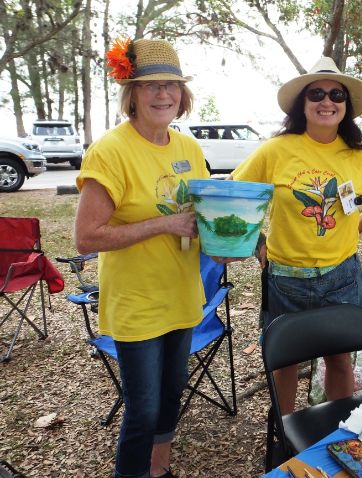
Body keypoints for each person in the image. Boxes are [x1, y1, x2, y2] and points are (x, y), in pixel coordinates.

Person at [231, 57, 362, 415]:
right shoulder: (275, 150)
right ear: (301, 105)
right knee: (283, 363)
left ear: (345, 106)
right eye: (316, 94)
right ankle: (285, 438)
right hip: (285, 279)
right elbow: (235, 197)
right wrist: (255, 242)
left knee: (339, 359)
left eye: (336, 94)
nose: (327, 101)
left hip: (342, 276)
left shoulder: (359, 156)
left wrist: (355, 228)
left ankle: (338, 434)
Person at [74, 38, 209, 478]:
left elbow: (201, 217)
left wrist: (227, 245)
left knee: (171, 398)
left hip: (183, 296)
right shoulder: (111, 151)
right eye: (151, 86)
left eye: (172, 85)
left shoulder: (187, 148)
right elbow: (86, 237)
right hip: (137, 303)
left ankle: (160, 471)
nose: (163, 94)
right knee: (143, 409)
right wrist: (163, 225)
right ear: (132, 94)